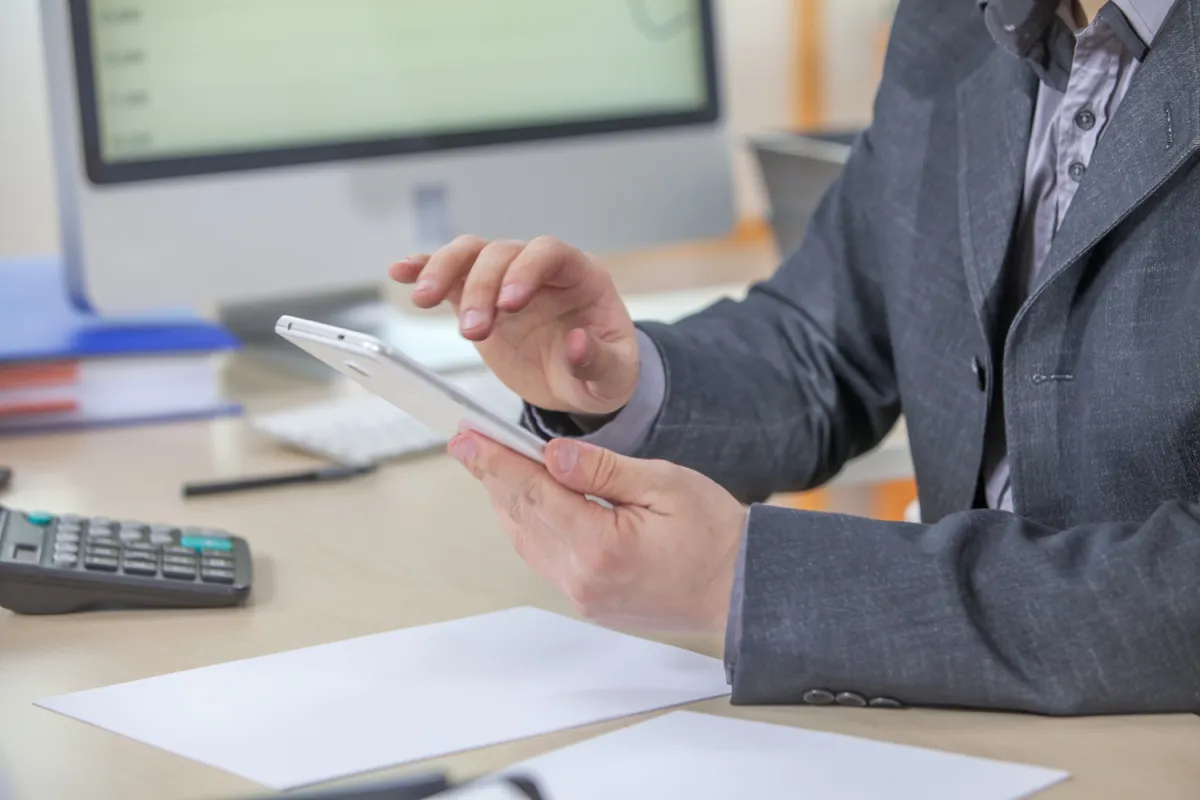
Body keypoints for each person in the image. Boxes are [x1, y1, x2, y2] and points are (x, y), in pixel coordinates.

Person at [390, 0, 1200, 716]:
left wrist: (750, 579)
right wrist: (611, 376)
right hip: (961, 728)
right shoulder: (953, 25)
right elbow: (825, 339)